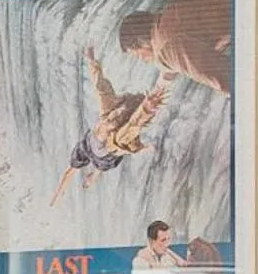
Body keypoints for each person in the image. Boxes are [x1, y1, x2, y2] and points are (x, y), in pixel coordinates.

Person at [50, 48, 170, 206]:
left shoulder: (120, 134)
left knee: (102, 164)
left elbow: (135, 123)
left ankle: (93, 176)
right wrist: (91, 59)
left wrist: (149, 106)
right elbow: (100, 84)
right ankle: (78, 184)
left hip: (106, 153)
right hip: (91, 145)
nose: (114, 116)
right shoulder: (110, 109)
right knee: (71, 170)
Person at [118, 0, 233, 97]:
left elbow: (227, 79)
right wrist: (158, 88)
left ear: (143, 44)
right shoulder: (168, 17)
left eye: (138, 55)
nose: (143, 60)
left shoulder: (166, 50)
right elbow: (168, 64)